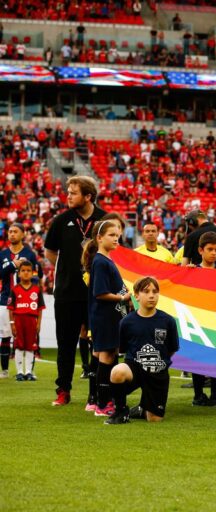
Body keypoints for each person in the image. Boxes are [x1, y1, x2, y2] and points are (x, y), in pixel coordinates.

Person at [45, 176, 106, 406]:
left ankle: (97, 392)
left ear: (88, 196)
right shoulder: (61, 221)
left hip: (97, 293)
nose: (68, 196)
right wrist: (68, 270)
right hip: (67, 293)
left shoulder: (104, 219)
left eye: (73, 193)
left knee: (98, 345)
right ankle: (63, 390)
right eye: (68, 192)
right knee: (66, 343)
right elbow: (50, 252)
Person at [105, 277, 179, 425]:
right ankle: (121, 411)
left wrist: (158, 362)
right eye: (146, 292)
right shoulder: (126, 322)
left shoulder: (168, 321)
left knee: (154, 419)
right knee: (117, 371)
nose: (152, 295)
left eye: (155, 291)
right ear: (136, 295)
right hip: (136, 368)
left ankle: (141, 409)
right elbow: (125, 351)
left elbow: (171, 349)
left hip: (158, 372)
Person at [83, 220, 132, 417]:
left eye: (117, 236)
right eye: (111, 235)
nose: (115, 239)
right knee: (106, 357)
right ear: (99, 238)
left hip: (109, 317)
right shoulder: (101, 261)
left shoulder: (105, 260)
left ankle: (101, 400)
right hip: (105, 317)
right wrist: (123, 297)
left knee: (108, 355)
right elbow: (100, 293)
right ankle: (103, 404)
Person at [190, 231, 216, 407]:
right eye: (210, 249)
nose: (213, 253)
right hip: (197, 322)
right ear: (200, 250)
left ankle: (215, 394)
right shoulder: (191, 272)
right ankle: (198, 395)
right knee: (198, 359)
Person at [0, 223, 41, 378]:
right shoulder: (3, 254)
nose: (12, 234)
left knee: (29, 335)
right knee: (5, 335)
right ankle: (4, 370)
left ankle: (29, 371)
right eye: (10, 231)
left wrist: (33, 296)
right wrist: (12, 265)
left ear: (23, 234)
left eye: (15, 231)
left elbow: (37, 276)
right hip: (5, 300)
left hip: (25, 301)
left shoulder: (30, 254)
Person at [8, 260, 44, 381]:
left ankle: (28, 371)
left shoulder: (37, 290)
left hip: (31, 321)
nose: (26, 273)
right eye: (23, 271)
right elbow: (11, 309)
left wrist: (39, 323)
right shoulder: (14, 290)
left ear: (32, 273)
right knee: (18, 346)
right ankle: (19, 372)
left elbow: (39, 309)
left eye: (28, 271)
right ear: (19, 273)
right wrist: (12, 323)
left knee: (30, 346)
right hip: (18, 320)